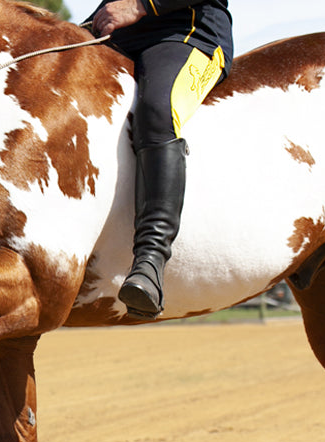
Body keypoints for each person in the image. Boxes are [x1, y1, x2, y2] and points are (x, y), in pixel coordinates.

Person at [87, 0, 233, 318]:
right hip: (119, 34)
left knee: (157, 111)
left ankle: (150, 261)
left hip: (186, 32)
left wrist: (142, 5)